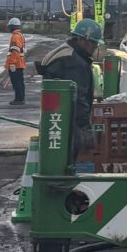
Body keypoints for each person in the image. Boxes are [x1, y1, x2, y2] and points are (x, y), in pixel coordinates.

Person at [36, 18, 101, 164]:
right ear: (84, 40)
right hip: (67, 125)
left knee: (56, 160)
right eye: (94, 43)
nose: (95, 47)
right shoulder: (74, 63)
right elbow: (79, 99)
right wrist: (85, 129)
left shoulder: (65, 53)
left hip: (56, 120)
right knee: (65, 161)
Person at [5, 17, 27, 105]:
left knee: (16, 82)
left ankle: (19, 99)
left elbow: (15, 50)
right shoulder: (20, 35)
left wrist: (12, 63)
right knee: (20, 82)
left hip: (16, 64)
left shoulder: (15, 36)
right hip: (20, 63)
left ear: (12, 26)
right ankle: (20, 98)